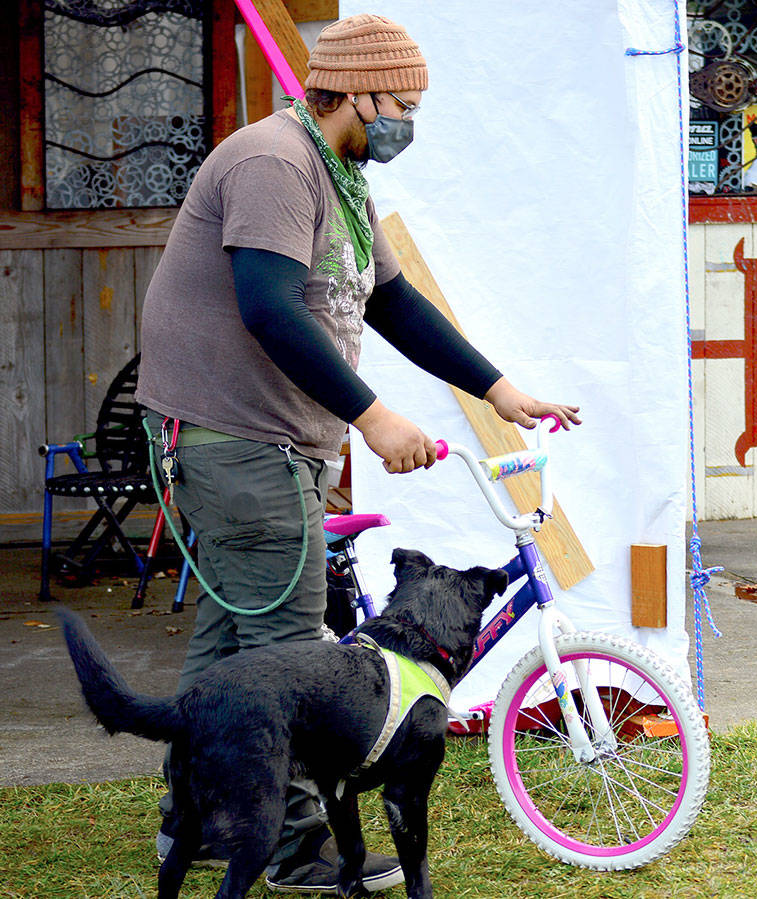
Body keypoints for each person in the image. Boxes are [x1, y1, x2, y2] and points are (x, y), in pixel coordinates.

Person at [136, 13, 580, 893]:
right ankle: (297, 846)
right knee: (292, 649)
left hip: (274, 438)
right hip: (236, 439)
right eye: (402, 104)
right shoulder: (273, 162)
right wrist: (375, 418)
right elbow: (268, 305)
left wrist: (497, 388)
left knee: (235, 644)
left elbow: (394, 303)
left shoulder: (339, 174)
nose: (408, 120)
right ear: (358, 92)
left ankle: (195, 821)